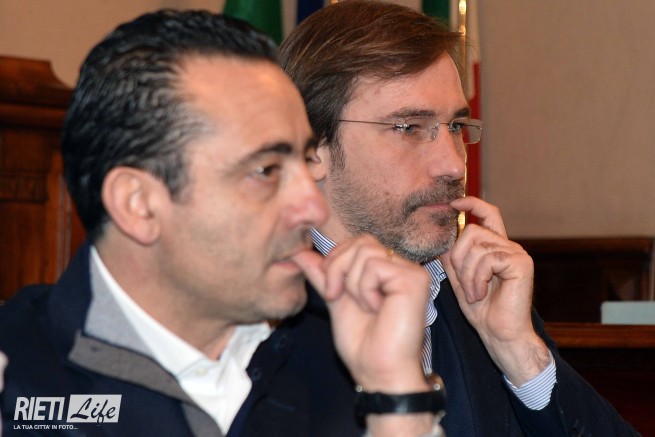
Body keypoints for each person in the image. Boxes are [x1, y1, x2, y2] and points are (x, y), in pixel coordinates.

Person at [0, 9, 447, 437]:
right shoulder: (18, 381)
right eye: (266, 171)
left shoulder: (344, 362)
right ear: (138, 204)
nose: (312, 206)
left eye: (306, 160)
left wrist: (396, 398)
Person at [279, 1, 639, 436]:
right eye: (409, 128)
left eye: (454, 127)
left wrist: (518, 351)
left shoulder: (475, 296)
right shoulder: (267, 314)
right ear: (313, 148)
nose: (452, 164)